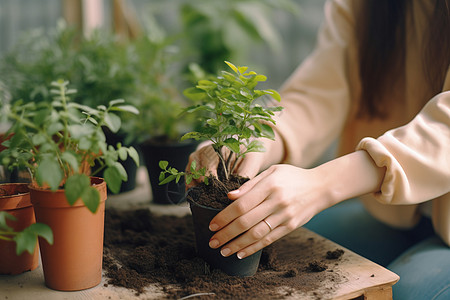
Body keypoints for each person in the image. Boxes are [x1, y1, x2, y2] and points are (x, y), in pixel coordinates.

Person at [187, 0, 450, 299]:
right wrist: (256, 139)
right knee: (291, 247)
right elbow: (318, 92)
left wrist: (322, 184)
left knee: (405, 293)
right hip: (397, 214)